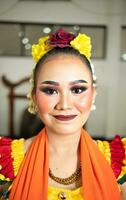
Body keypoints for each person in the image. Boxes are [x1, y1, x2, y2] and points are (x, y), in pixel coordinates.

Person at [0, 28, 126, 200]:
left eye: (78, 89)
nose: (64, 104)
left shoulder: (119, 162)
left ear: (93, 94)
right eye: (51, 91)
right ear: (34, 97)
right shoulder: (5, 162)